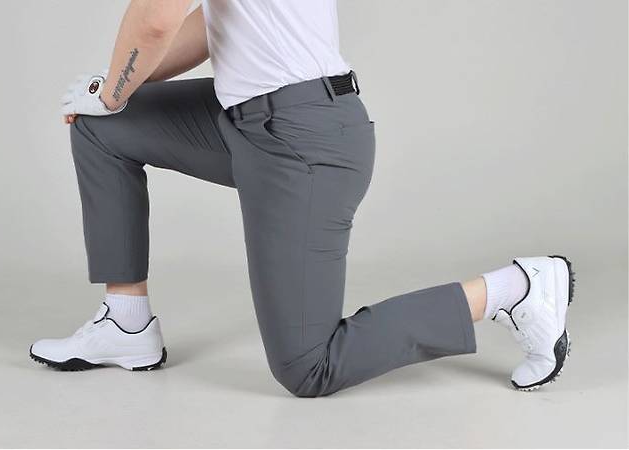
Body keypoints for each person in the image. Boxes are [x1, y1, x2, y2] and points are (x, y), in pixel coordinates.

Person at [30, 0, 574, 396]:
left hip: (302, 139)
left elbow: (155, 19)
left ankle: (516, 289)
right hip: (250, 121)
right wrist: (113, 92)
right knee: (103, 128)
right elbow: (207, 27)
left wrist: (114, 90)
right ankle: (126, 323)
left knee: (307, 368)